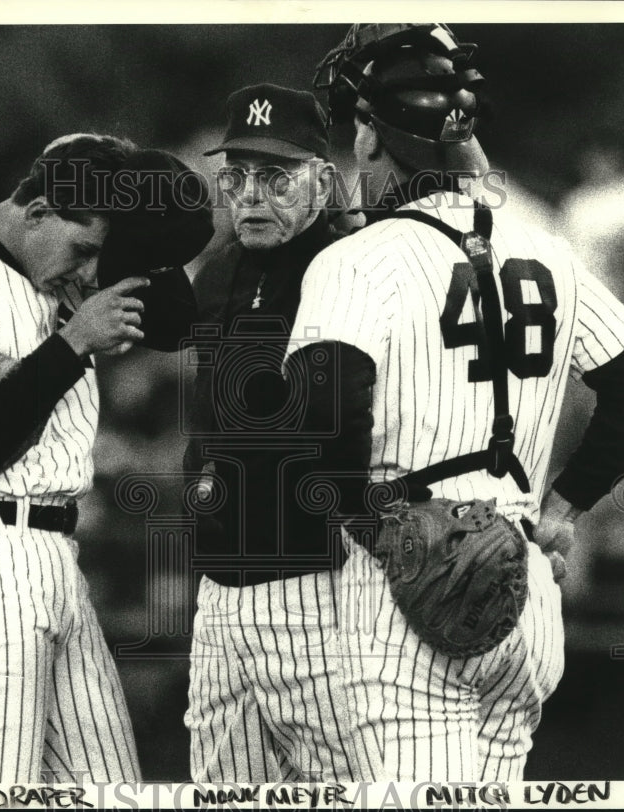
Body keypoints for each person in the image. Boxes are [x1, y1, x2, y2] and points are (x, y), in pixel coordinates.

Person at [282, 24, 624, 781]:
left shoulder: (358, 260)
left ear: (370, 136)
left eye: (360, 128)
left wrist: (377, 535)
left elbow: (322, 417)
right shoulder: (547, 246)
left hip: (409, 581)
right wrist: (565, 509)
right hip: (527, 584)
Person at [0, 133, 212, 783]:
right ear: (39, 209)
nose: (87, 274)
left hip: (51, 559)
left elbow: (176, 317)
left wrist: (141, 207)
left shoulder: (43, 269)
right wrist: (72, 343)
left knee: (111, 791)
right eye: (84, 251)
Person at [182, 83, 361, 782]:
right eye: (237, 176)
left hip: (317, 584)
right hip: (220, 587)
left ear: (322, 178)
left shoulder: (350, 265)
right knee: (222, 789)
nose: (251, 195)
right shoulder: (219, 272)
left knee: (349, 787)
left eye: (275, 177)